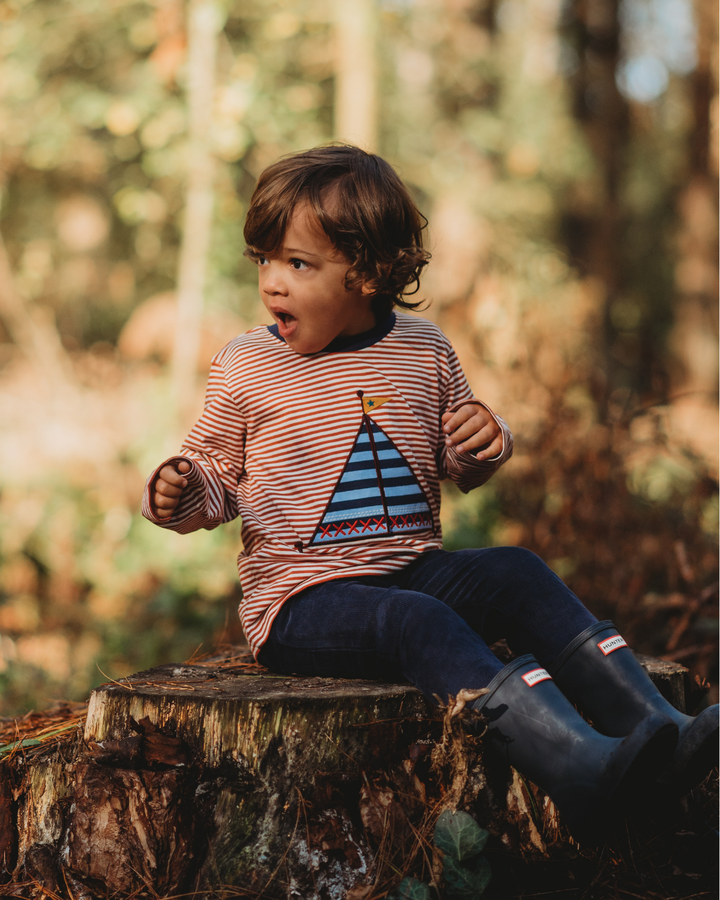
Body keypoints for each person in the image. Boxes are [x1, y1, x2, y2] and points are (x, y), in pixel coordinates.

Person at [143, 144, 717, 841]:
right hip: (300, 601)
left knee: (517, 571)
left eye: (298, 263)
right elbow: (213, 477)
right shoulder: (246, 364)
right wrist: (178, 489)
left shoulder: (423, 348)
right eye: (263, 259)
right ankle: (579, 770)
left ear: (366, 271)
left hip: (412, 564)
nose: (272, 283)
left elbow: (457, 455)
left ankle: (661, 728)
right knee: (415, 621)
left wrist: (485, 437)